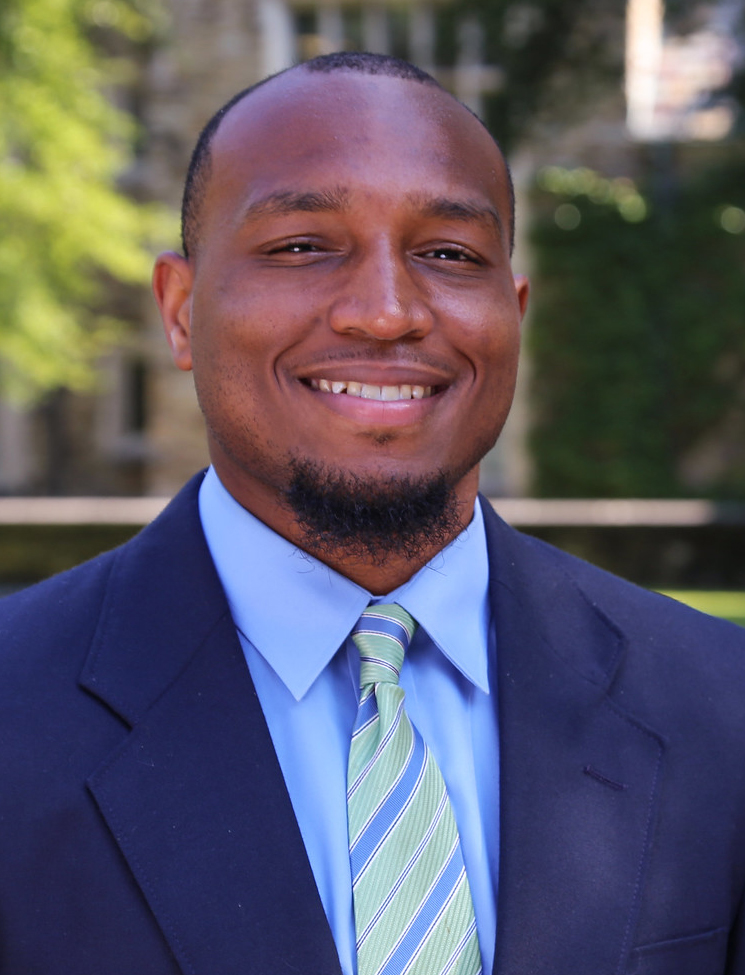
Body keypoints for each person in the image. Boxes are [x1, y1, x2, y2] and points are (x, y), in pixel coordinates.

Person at [1, 51, 744, 975]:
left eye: (447, 254)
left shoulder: (723, 707)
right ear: (182, 311)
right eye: (303, 246)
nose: (386, 313)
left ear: (512, 311)